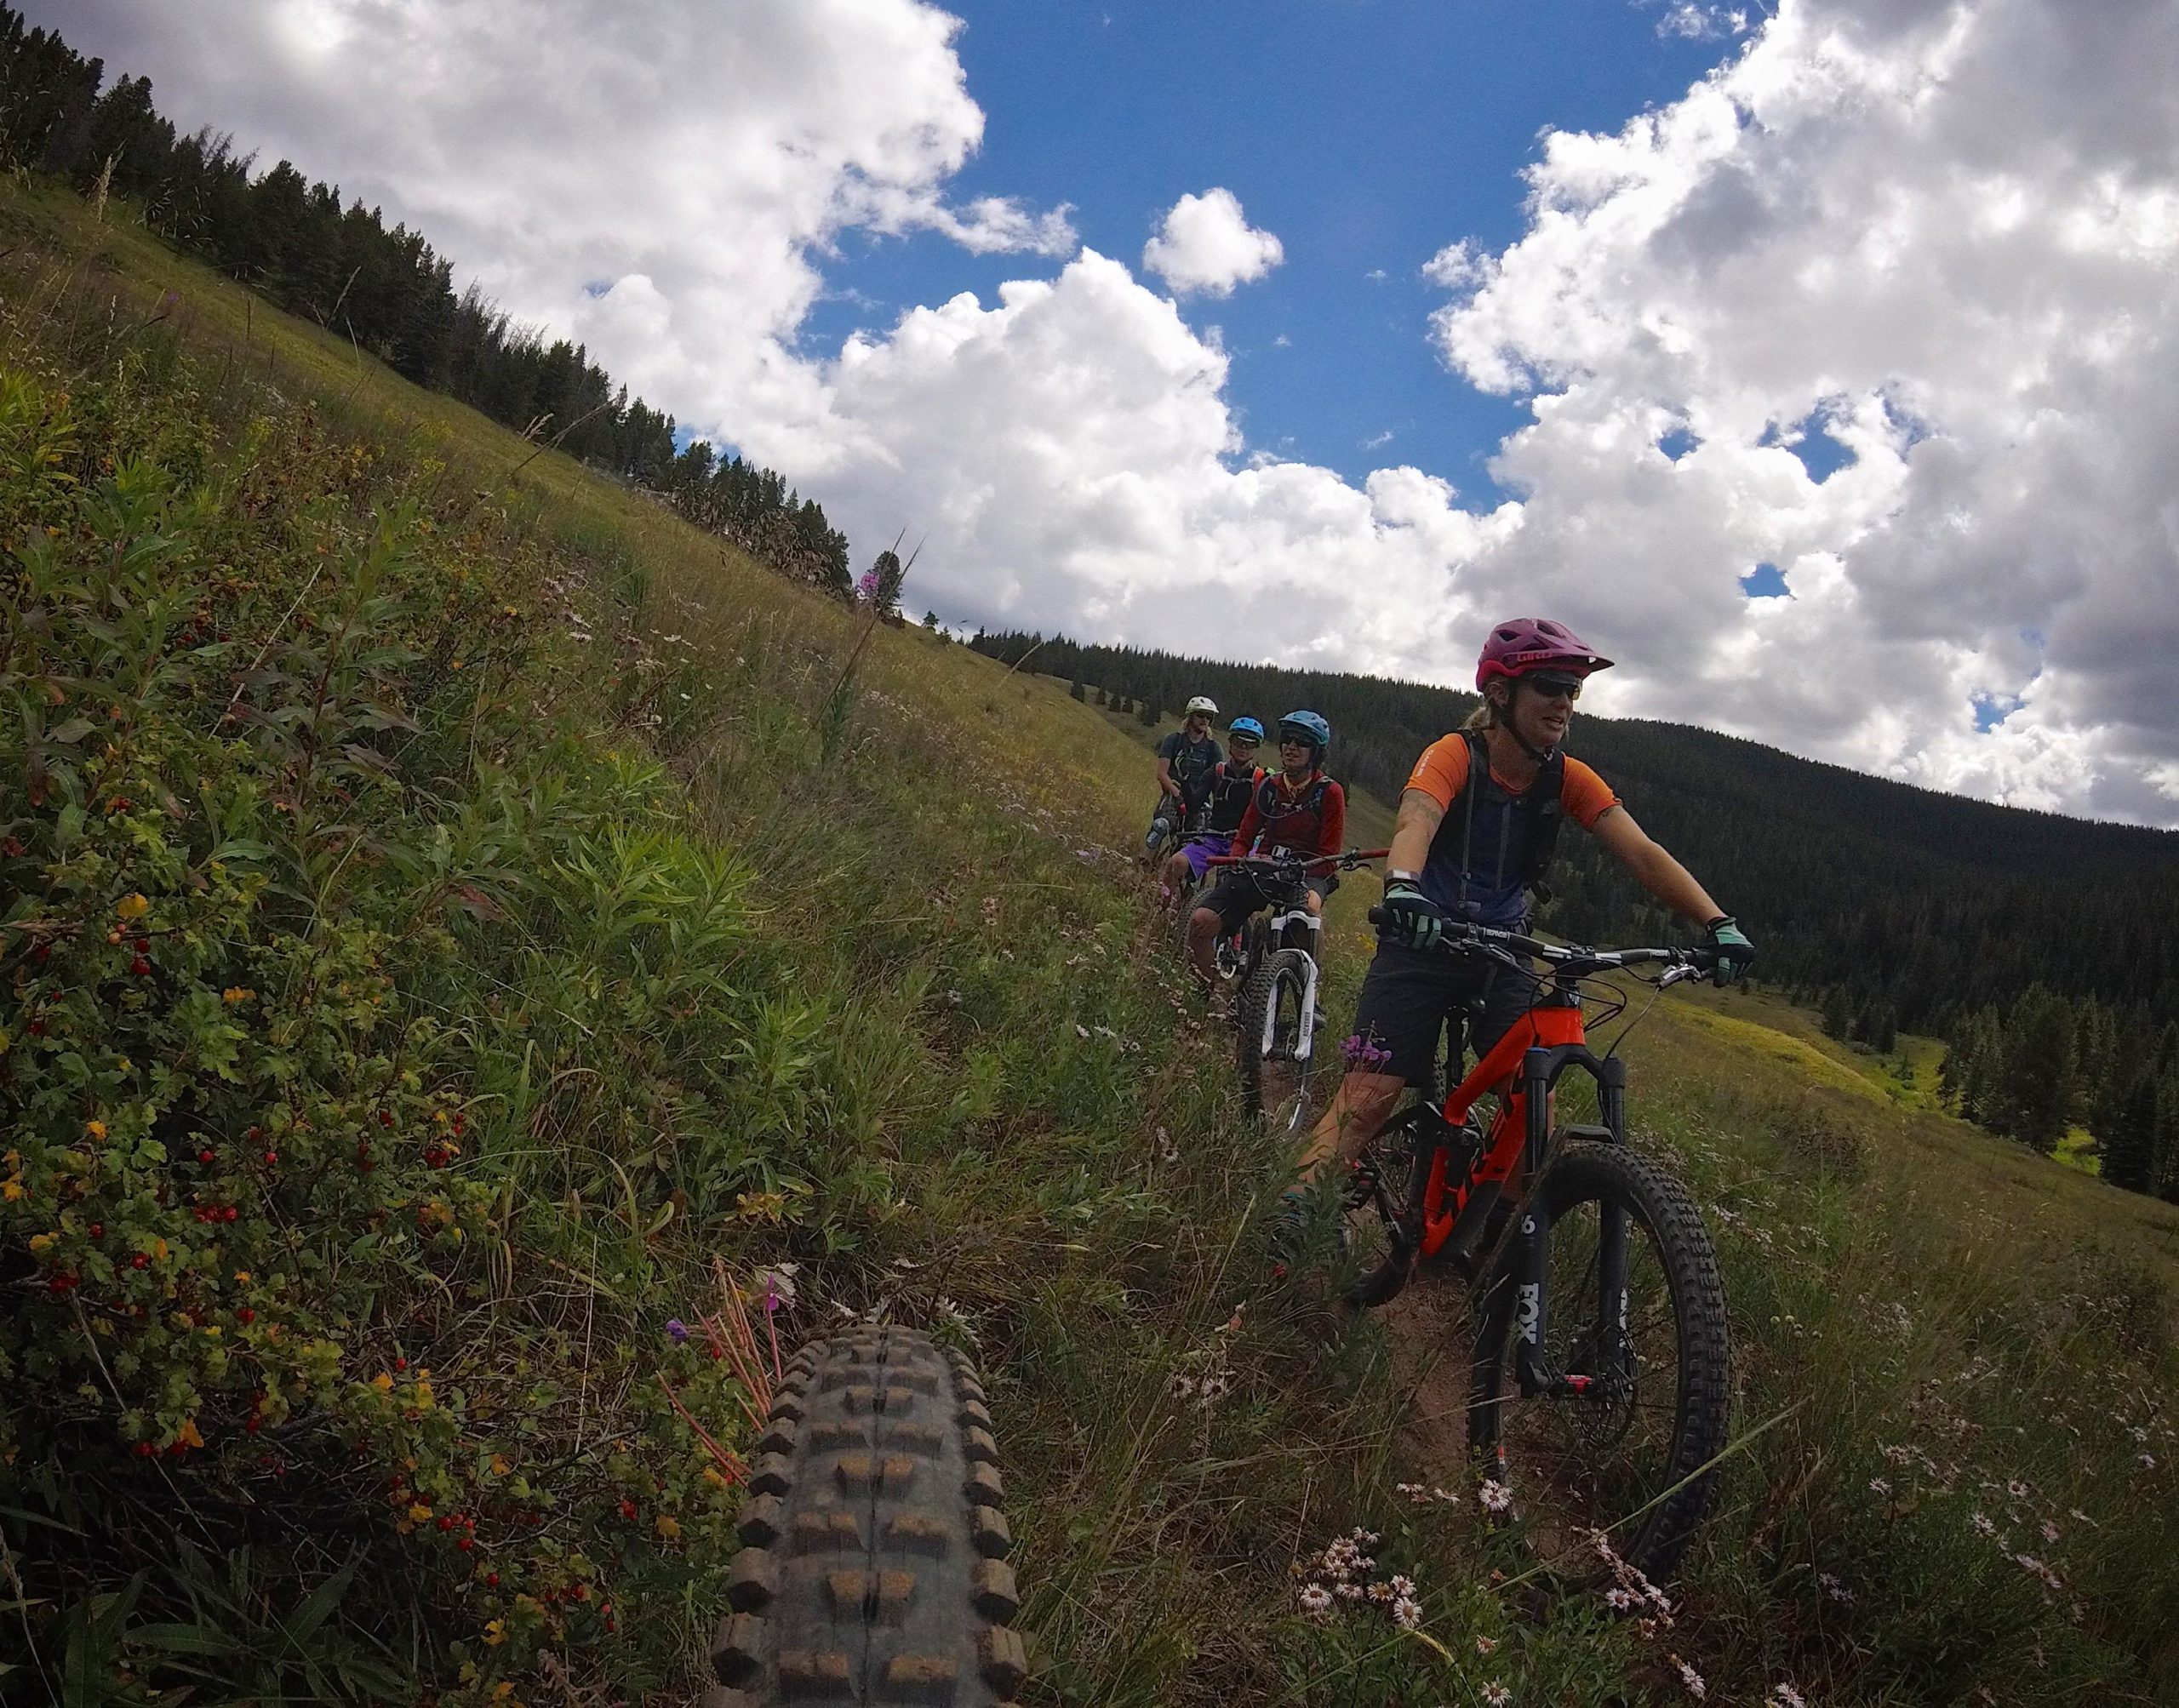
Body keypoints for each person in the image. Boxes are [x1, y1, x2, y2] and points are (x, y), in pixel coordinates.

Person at [1282, 619, 1753, 1233]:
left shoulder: (1566, 775)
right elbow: (1416, 820)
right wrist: (1403, 888)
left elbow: (1641, 850)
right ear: (1501, 694)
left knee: (1536, 1111)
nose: (1565, 702)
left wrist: (1717, 921)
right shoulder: (1454, 754)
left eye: (1574, 691)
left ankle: (1495, 1247)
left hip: (1504, 951)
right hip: (1421, 938)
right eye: (1551, 686)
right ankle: (1280, 1237)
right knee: (1368, 1098)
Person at [1187, 711, 1346, 991]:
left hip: (1309, 871)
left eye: (1302, 742)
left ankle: (1311, 991)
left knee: (1309, 911)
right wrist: (1240, 858)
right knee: (1201, 922)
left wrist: (1302, 869)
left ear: (1316, 752)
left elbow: (1329, 854)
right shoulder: (1268, 787)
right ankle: (1214, 997)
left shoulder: (1329, 793)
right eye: (1287, 739)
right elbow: (1246, 836)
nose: (1291, 747)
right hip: (1267, 867)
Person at [1160, 716, 1265, 902]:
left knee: (1240, 886)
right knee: (1176, 863)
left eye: (1250, 744)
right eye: (1239, 742)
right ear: (1231, 743)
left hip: (1245, 841)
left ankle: (1243, 928)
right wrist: (1184, 781)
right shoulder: (1217, 772)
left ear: (1256, 749)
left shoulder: (1261, 779)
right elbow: (1194, 806)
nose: (1243, 748)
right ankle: (1161, 910)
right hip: (1214, 837)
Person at [1143, 695, 1222, 864]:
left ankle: (1186, 882)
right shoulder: (1174, 740)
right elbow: (1162, 774)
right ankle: (1144, 861)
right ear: (1191, 715)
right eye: (1201, 715)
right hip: (1173, 794)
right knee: (1161, 826)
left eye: (1209, 717)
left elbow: (1218, 780)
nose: (1205, 720)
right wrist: (1177, 795)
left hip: (1200, 800)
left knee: (1198, 839)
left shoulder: (1213, 748)